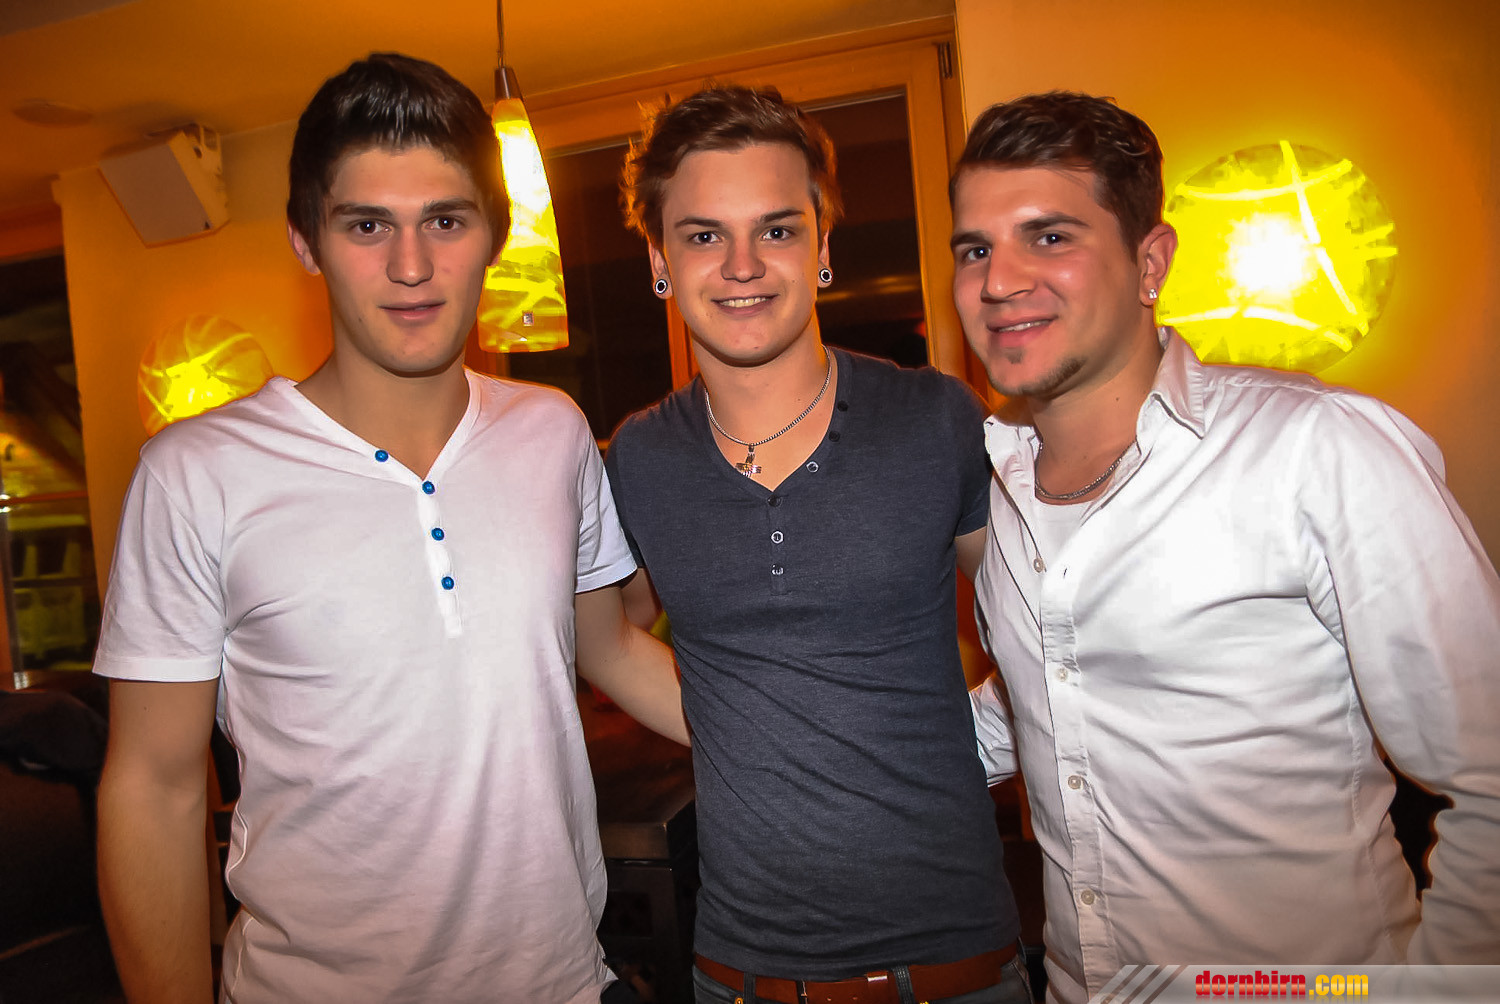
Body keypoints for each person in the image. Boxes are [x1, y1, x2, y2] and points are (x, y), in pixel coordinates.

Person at [93, 52, 686, 1004]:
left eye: (445, 220)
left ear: (493, 235)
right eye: (367, 225)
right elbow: (154, 789)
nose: (411, 267)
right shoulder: (194, 474)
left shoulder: (553, 432)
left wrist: (810, 736)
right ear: (306, 241)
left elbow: (610, 647)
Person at [951, 90, 1500, 1003]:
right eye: (975, 249)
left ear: (1150, 261)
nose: (999, 280)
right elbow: (1044, 696)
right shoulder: (995, 481)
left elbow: (1490, 772)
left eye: (1049, 236)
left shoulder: (1316, 448)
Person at [607, 85, 1029, 1004]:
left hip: (961, 975)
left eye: (777, 229)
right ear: (661, 261)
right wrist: (739, 723)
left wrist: (982, 736)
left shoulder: (935, 419)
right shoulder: (638, 457)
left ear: (823, 245)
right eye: (704, 235)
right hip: (744, 978)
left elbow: (1045, 624)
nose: (743, 265)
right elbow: (606, 636)